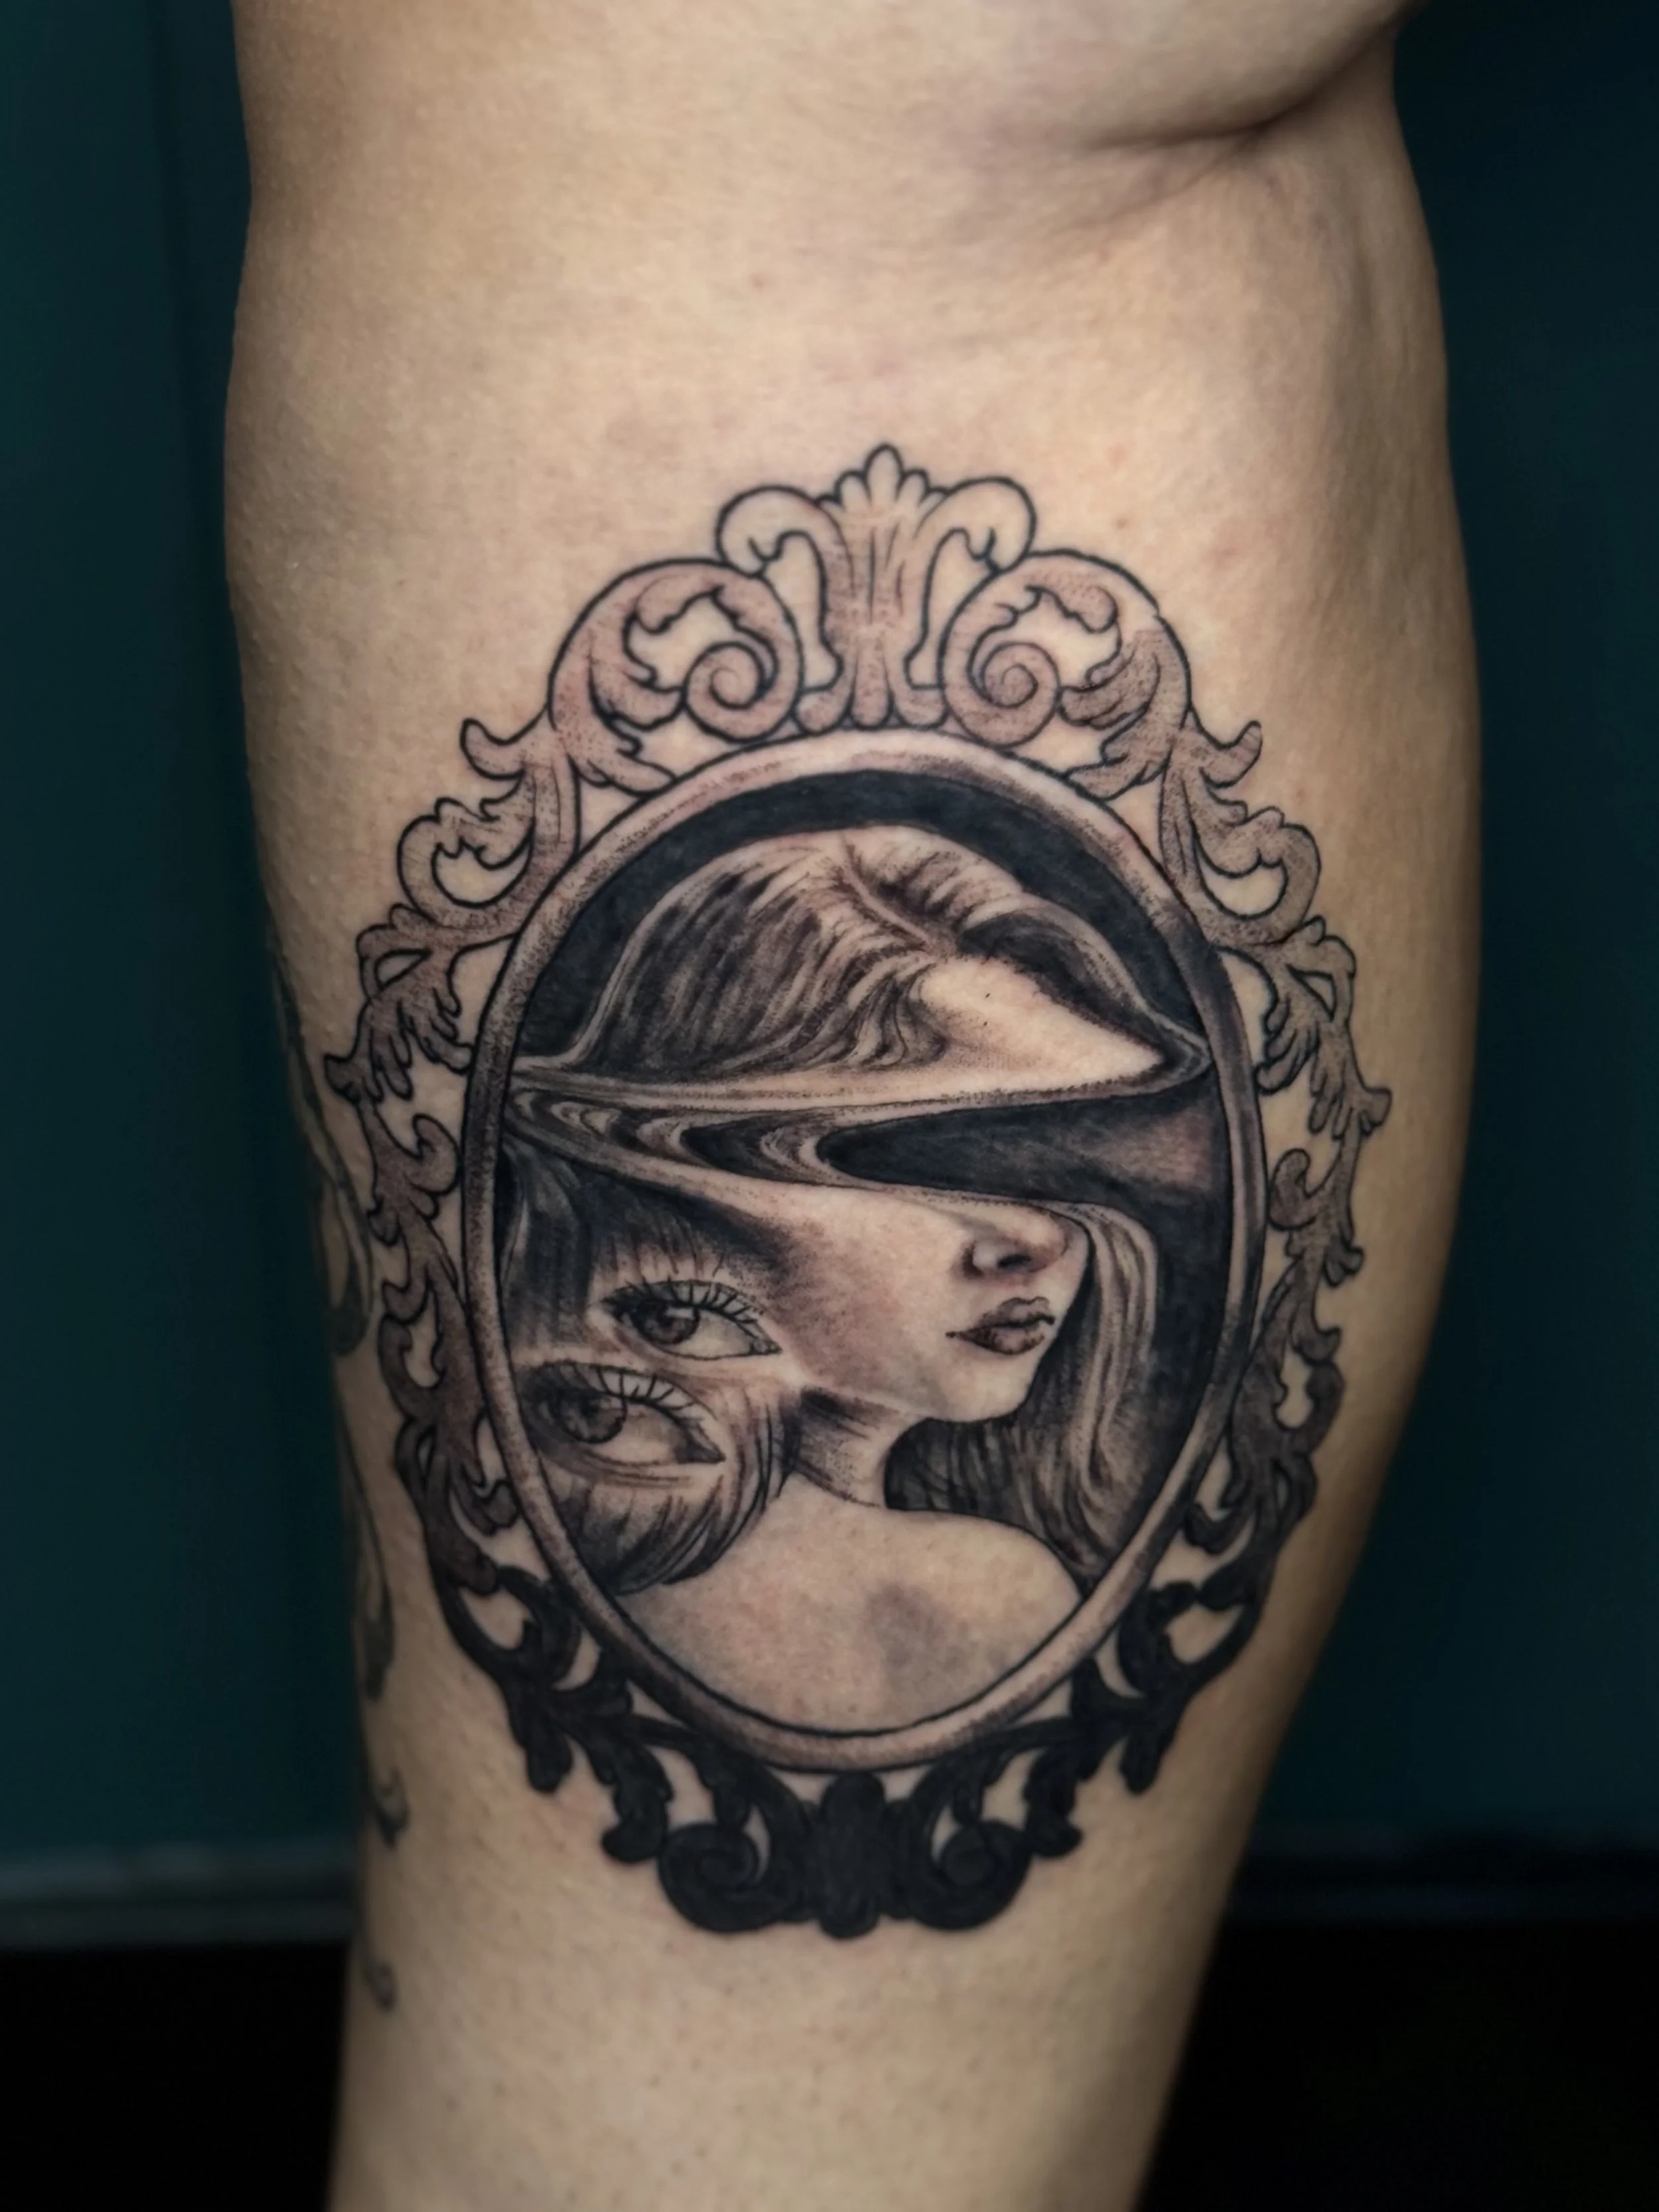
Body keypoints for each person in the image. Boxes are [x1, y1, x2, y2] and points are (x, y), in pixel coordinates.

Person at [230, 4, 1477, 2205]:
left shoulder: (975, 1577)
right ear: (681, 1167)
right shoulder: (931, 1591)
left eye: (1037, 1154)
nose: (1042, 1234)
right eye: (906, 1151)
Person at [495, 827, 1181, 1728]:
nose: (1035, 1239)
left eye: (1066, 1163)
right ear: (689, 1176)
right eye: (925, 1159)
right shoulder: (966, 1593)